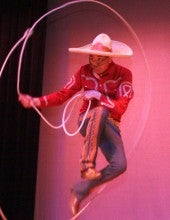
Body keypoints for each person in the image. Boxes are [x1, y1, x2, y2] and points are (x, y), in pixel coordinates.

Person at [18, 33, 134, 216]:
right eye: (92, 58)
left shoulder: (123, 74)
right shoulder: (83, 71)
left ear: (109, 59)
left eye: (99, 59)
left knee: (120, 164)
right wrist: (35, 101)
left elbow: (120, 109)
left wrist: (100, 97)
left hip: (109, 125)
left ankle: (80, 190)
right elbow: (62, 95)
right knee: (99, 111)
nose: (94, 63)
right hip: (86, 121)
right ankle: (87, 165)